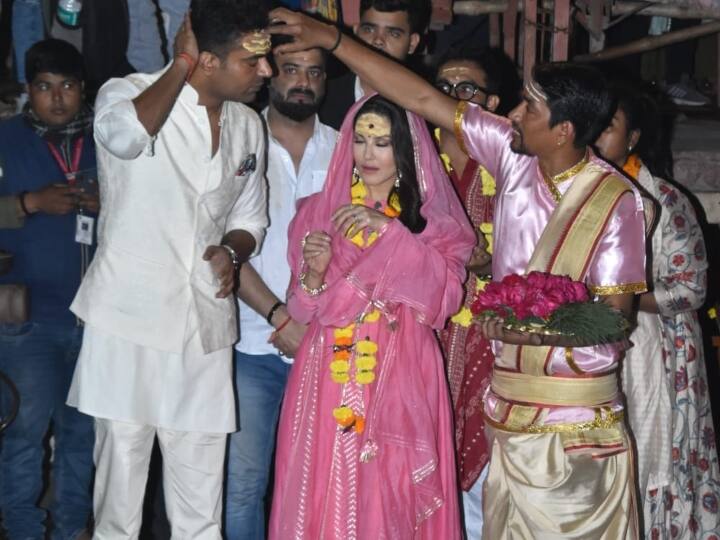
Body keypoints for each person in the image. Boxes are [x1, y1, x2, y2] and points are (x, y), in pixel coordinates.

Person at [267, 11, 648, 537]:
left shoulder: (616, 201)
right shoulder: (513, 159)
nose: (512, 112)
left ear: (562, 130)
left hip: (574, 414)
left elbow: (614, 322)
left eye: (529, 107)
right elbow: (423, 99)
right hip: (507, 406)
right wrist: (333, 39)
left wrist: (527, 328)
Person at [66, 0, 271, 536]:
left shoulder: (248, 125)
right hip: (127, 325)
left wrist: (232, 251)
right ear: (207, 60)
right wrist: (180, 65)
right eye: (252, 60)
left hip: (204, 329)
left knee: (201, 511)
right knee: (119, 503)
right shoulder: (126, 93)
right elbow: (123, 138)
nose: (266, 70)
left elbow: (251, 219)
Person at [268, 95, 475, 539]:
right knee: (326, 478)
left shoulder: (429, 222)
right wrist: (314, 274)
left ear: (404, 149)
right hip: (328, 368)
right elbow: (301, 309)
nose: (368, 153)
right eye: (360, 140)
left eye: (382, 143)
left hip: (403, 367)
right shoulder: (318, 211)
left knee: (392, 482)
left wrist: (390, 232)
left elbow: (445, 300)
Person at [595, 83, 720, 538]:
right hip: (594, 340)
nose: (595, 136)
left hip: (656, 347)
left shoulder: (666, 200)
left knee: (649, 456)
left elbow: (691, 288)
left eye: (608, 127)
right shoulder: (573, 193)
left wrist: (617, 294)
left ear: (632, 138)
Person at [225, 45, 337, 539]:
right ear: (270, 74)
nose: (303, 82)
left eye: (314, 72)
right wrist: (280, 318)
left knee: (318, 486)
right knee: (243, 484)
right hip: (250, 345)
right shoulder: (237, 142)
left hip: (328, 348)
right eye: (291, 70)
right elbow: (223, 248)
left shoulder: (346, 150)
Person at [0, 38, 97, 540]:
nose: (57, 98)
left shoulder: (107, 141)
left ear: (83, 89)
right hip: (28, 321)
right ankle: (22, 532)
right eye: (44, 87)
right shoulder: (5, 138)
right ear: (27, 90)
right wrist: (28, 203)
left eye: (67, 86)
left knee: (81, 440)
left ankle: (71, 531)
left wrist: (112, 203)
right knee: (23, 438)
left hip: (97, 319)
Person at [433, 45, 520, 539]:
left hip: (492, 332)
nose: (453, 96)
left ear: (491, 102)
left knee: (489, 465)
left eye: (466, 88)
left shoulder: (512, 163)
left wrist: (489, 261)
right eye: (443, 87)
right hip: (425, 327)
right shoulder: (412, 157)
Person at [318, 0, 431, 129]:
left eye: (393, 33)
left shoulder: (424, 107)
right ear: (356, 32)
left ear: (412, 43)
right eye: (369, 30)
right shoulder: (324, 95)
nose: (378, 41)